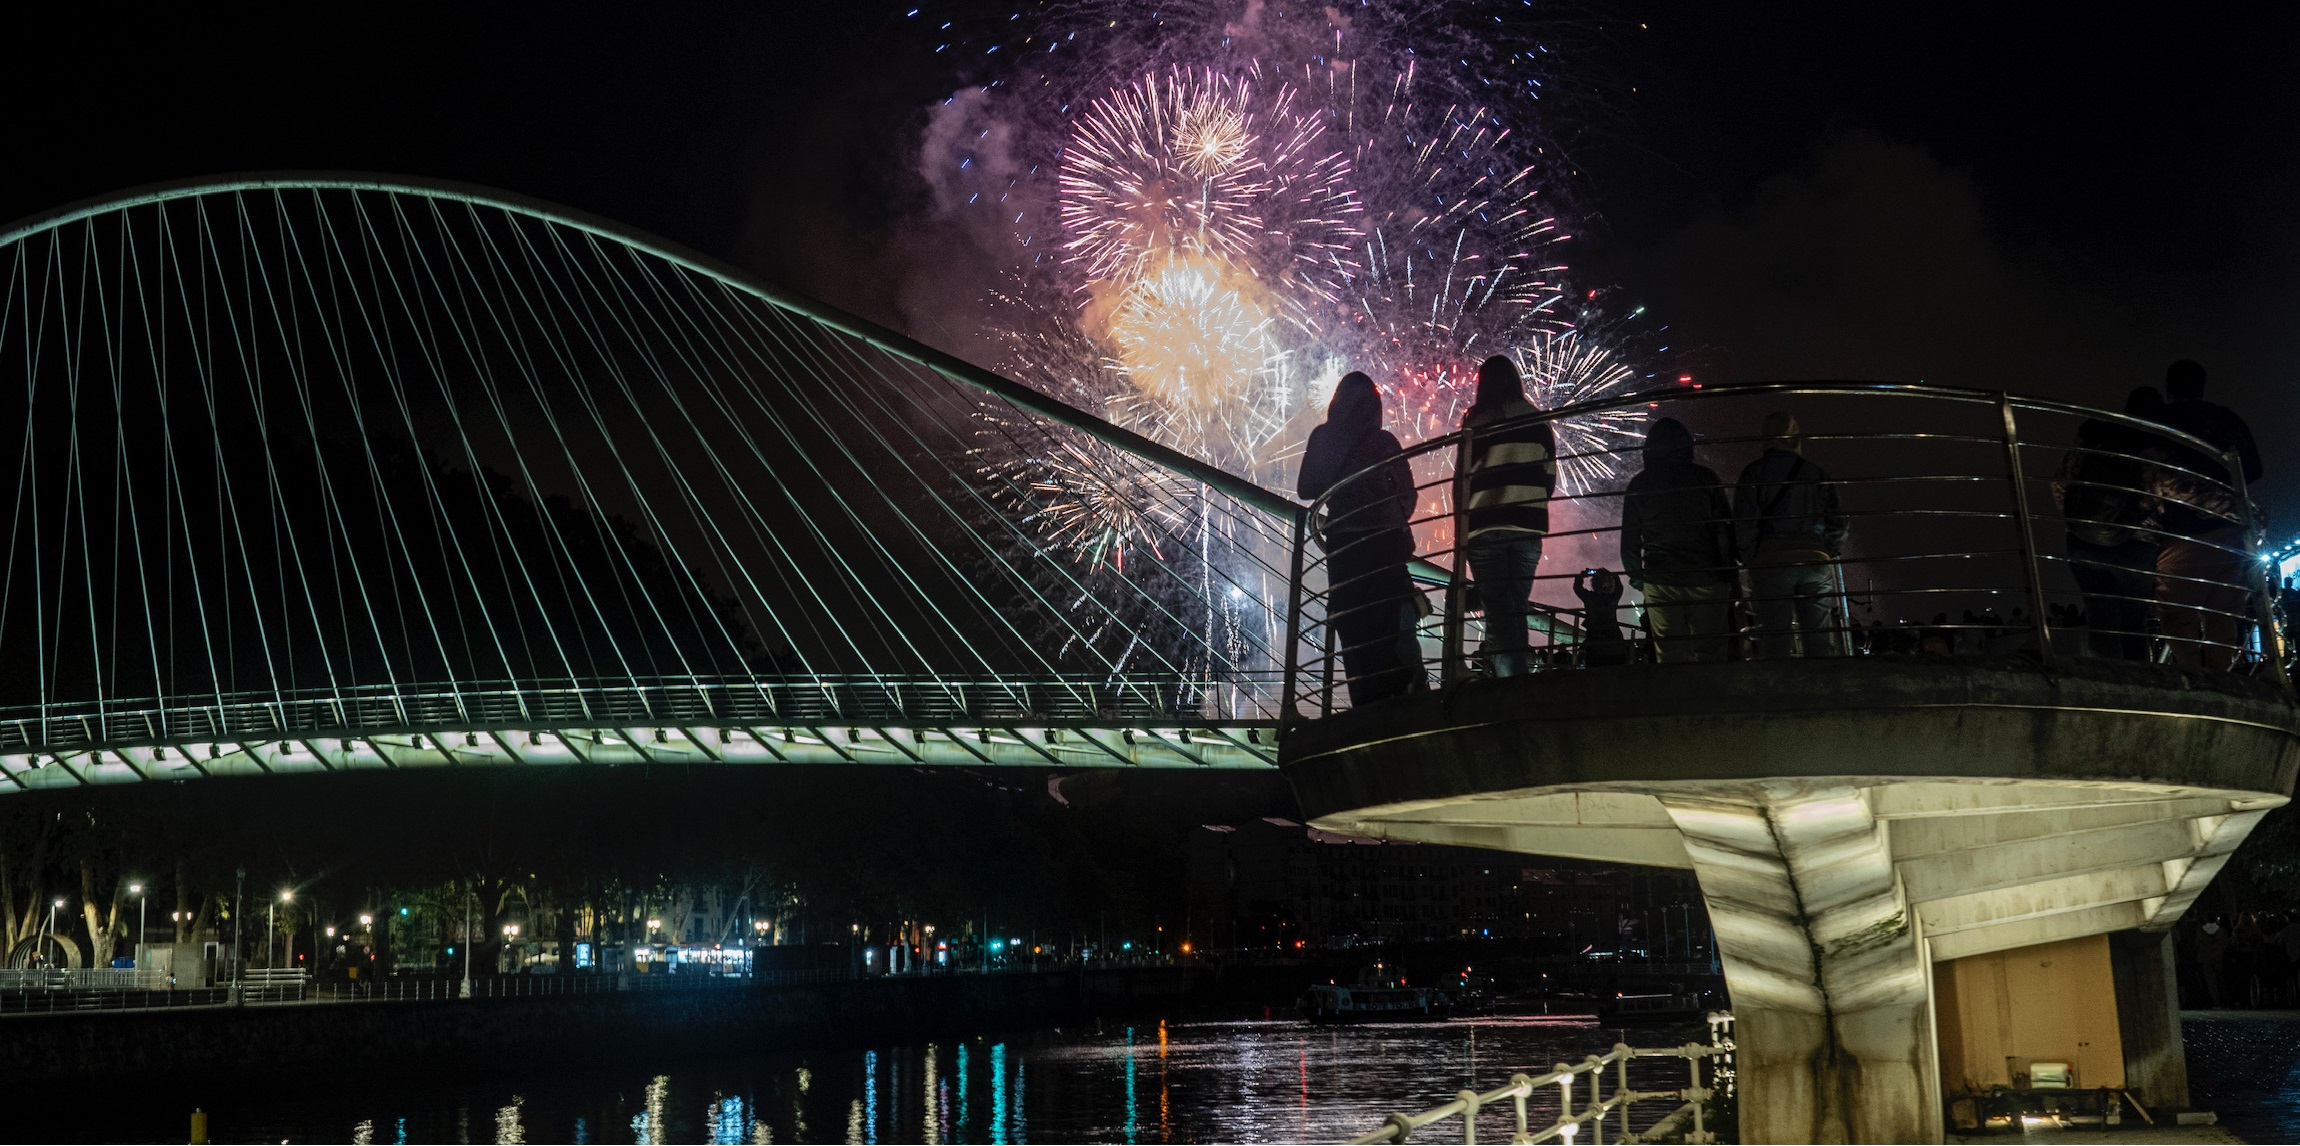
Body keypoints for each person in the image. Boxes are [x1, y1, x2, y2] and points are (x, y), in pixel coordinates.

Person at [1299, 372, 1424, 704]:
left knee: (1355, 636)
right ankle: (1407, 707)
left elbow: (1306, 488)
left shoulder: (1323, 437)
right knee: (1394, 632)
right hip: (1384, 549)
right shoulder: (1383, 442)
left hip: (1344, 552)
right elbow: (1408, 498)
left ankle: (1366, 711)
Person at [2152, 360, 2264, 670]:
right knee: (2224, 615)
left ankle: (2195, 676)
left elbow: (2148, 470)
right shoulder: (2227, 419)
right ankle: (2219, 680)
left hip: (2185, 531)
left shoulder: (2163, 420)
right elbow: (2254, 468)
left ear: (2169, 389)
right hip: (2234, 528)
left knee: (2176, 613)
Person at [2053, 387, 2168, 661]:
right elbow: (2158, 497)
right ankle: (2141, 690)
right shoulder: (2155, 445)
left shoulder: (2094, 434)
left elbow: (2059, 483)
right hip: (2136, 546)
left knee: (2100, 619)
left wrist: (2082, 520)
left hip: (2083, 541)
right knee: (2134, 622)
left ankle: (2109, 688)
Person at [1461, 355, 1556, 676]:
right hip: (1528, 530)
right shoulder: (1540, 422)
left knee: (1498, 615)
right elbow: (1549, 481)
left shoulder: (1477, 422)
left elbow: (1462, 481)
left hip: (1486, 529)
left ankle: (1510, 693)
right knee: (1514, 611)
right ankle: (1516, 682)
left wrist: (1462, 531)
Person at [1619, 417, 1735, 663]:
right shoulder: (1707, 478)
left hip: (1660, 579)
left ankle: (1676, 700)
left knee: (1669, 655)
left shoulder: (1639, 484)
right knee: (1711, 652)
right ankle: (1710, 699)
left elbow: (1629, 541)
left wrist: (1638, 577)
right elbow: (1723, 531)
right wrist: (1727, 572)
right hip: (1706, 576)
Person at [1733, 412, 1848, 657]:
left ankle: (1781, 691)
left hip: (1771, 560)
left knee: (1776, 642)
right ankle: (1820, 689)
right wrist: (1827, 549)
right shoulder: (1817, 473)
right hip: (1814, 558)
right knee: (1818, 641)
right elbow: (1838, 520)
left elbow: (1743, 524)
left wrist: (1751, 557)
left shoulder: (1753, 473)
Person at [1573, 568, 1631, 666]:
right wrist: (1608, 573)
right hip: (1615, 641)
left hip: (1595, 642)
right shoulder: (1613, 598)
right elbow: (1619, 585)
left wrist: (1583, 575)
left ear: (1594, 583)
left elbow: (1577, 587)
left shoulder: (1589, 598)